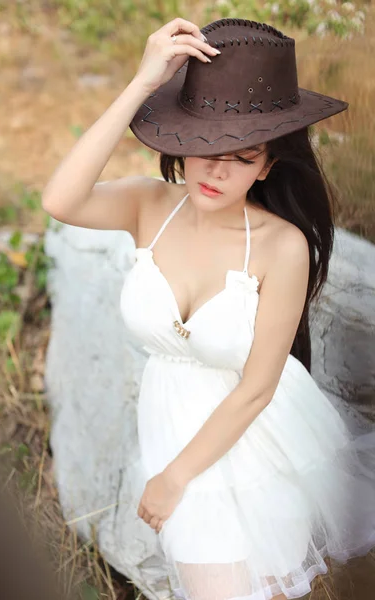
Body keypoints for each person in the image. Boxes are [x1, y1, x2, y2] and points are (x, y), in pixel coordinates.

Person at [42, 17, 375, 600]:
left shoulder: (281, 245)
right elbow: (60, 198)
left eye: (244, 157)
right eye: (208, 148)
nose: (219, 170)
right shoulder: (150, 205)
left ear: (268, 165)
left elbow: (257, 388)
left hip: (258, 445)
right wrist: (142, 84)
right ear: (180, 141)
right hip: (173, 430)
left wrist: (174, 478)